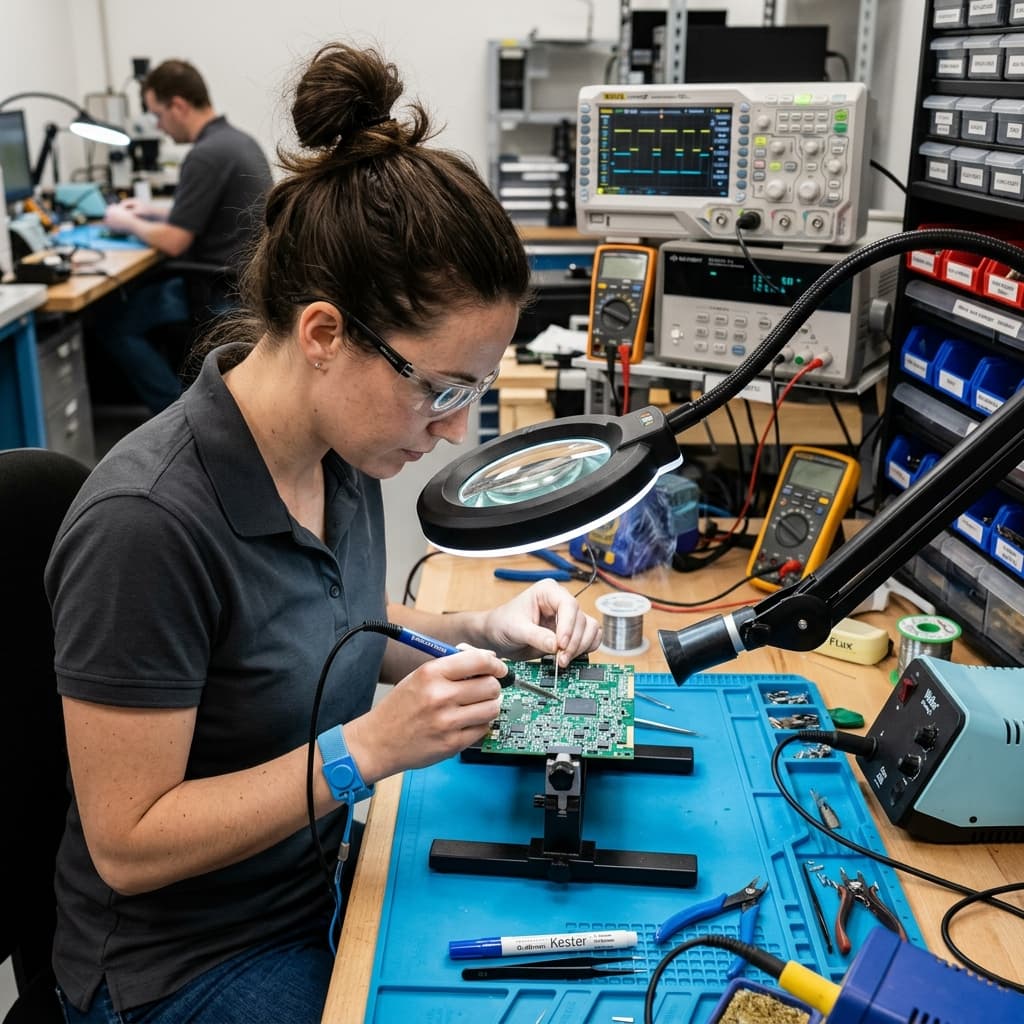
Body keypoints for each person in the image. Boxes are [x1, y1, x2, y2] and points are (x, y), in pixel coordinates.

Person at [45, 41, 602, 1024]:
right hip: (183, 963)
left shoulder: (338, 452)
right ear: (323, 335)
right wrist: (368, 748)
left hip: (314, 870)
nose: (457, 428)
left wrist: (482, 630)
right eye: (443, 388)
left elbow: (318, 620)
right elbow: (126, 841)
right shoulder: (146, 525)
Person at [93, 59, 273, 413]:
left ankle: (171, 412)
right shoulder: (236, 141)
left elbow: (175, 241)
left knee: (112, 324)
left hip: (216, 289)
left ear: (178, 105)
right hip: (243, 281)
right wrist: (149, 211)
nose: (159, 127)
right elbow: (206, 211)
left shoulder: (205, 154)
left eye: (158, 115)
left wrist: (124, 221)